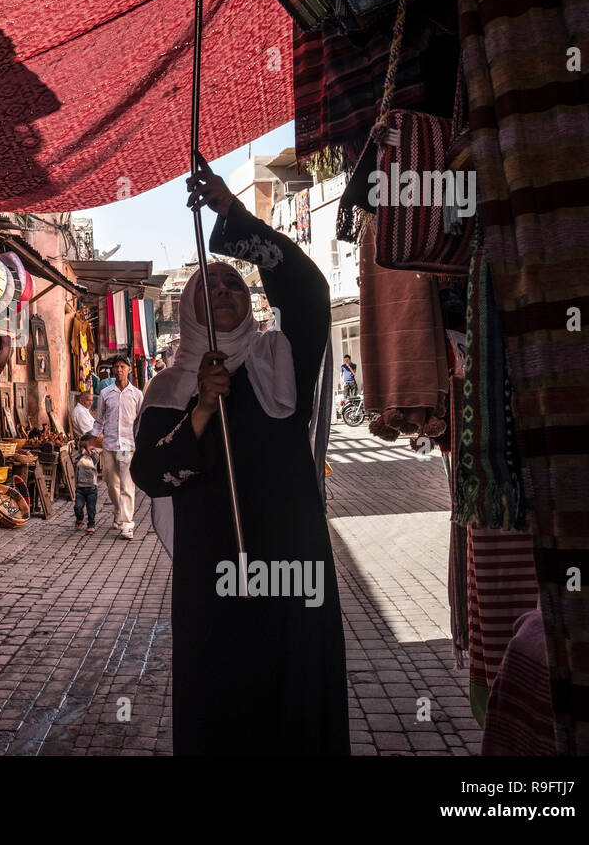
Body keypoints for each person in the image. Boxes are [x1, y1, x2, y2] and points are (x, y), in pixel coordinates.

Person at [131, 152, 348, 755]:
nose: (224, 288)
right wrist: (201, 408)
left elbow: (310, 291)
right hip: (215, 578)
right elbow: (150, 474)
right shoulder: (170, 386)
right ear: (188, 310)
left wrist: (232, 213)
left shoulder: (282, 359)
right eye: (210, 284)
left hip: (294, 564)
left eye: (232, 283)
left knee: (298, 697)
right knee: (224, 706)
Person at [90, 354, 143, 539]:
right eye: (116, 367)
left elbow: (141, 422)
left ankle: (127, 524)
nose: (119, 370)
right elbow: (99, 420)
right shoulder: (105, 394)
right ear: (113, 370)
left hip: (127, 446)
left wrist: (142, 443)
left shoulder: (137, 395)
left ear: (129, 369)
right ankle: (119, 512)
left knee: (126, 484)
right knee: (112, 484)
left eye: (122, 366)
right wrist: (91, 441)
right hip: (110, 445)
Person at [73, 438, 101, 533]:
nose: (83, 449)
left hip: (91, 488)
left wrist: (91, 453)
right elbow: (75, 464)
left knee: (91, 508)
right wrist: (81, 455)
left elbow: (96, 459)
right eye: (81, 447)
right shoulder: (78, 457)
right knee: (78, 506)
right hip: (80, 488)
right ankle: (79, 519)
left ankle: (91, 524)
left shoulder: (94, 457)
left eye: (85, 447)